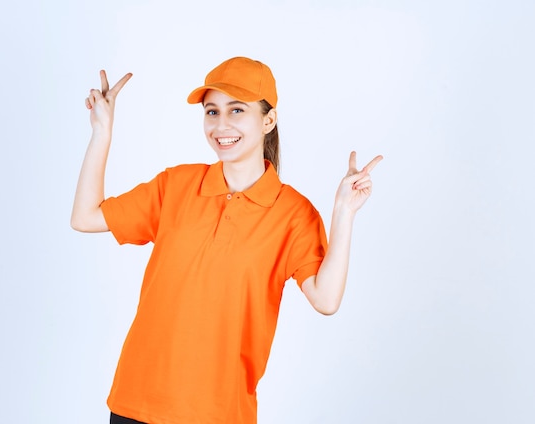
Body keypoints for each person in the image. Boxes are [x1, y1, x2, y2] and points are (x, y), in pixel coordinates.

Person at [71, 56, 382, 424]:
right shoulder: (176, 185)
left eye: (237, 110)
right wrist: (102, 133)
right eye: (212, 112)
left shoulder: (293, 214)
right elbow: (86, 217)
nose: (221, 125)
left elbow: (326, 299)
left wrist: (343, 213)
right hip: (135, 403)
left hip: (219, 413)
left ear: (268, 120)